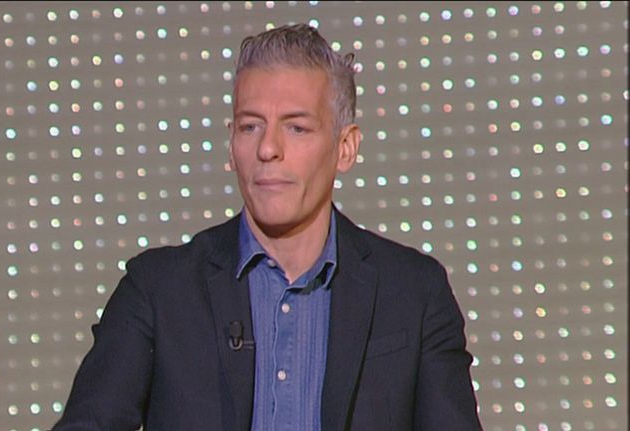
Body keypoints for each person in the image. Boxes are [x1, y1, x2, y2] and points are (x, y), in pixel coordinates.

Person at [52, 23, 482, 431]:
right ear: (231, 145)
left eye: (296, 128)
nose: (268, 148)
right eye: (250, 126)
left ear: (345, 148)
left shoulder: (414, 292)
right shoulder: (158, 290)